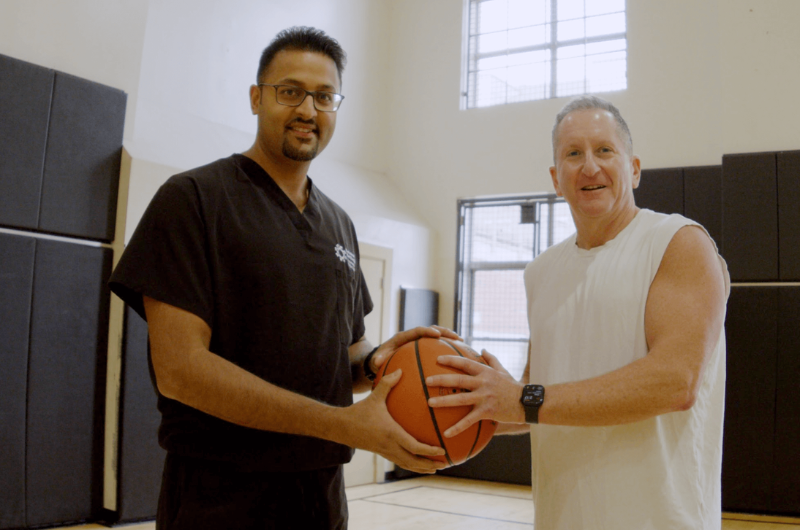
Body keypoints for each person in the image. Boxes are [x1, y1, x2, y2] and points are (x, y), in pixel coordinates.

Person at [109, 26, 452, 530]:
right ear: (256, 98)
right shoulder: (193, 199)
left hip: (321, 497)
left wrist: (381, 362)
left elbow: (347, 356)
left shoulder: (340, 224)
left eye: (324, 96)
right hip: (220, 496)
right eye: (290, 92)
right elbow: (180, 370)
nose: (308, 111)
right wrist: (340, 424)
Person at [428, 95, 730, 529]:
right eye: (573, 154)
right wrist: (477, 405)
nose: (589, 166)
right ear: (556, 178)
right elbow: (537, 398)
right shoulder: (541, 271)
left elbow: (675, 382)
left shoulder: (678, 242)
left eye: (604, 150)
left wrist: (522, 399)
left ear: (634, 168)